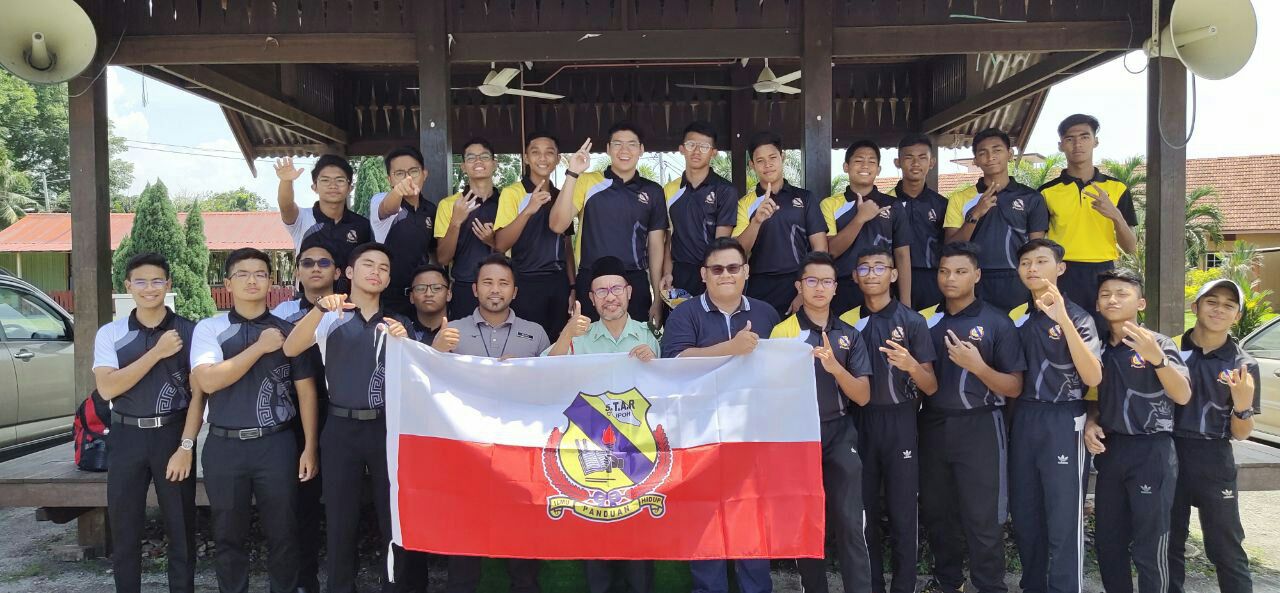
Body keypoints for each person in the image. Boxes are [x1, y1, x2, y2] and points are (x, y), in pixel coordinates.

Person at [191, 248, 320, 593]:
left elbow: (306, 392)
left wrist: (309, 447)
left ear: (271, 281)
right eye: (243, 274)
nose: (252, 280)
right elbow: (208, 381)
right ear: (227, 283)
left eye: (260, 274)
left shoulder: (289, 331)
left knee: (284, 532)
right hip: (224, 445)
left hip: (276, 444)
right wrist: (260, 347)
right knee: (228, 534)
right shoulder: (210, 328)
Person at [283, 242, 411, 593]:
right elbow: (291, 347)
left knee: (393, 518)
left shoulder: (398, 324)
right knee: (340, 520)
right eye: (368, 264)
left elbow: (419, 377)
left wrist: (408, 343)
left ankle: (396, 587)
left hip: (386, 428)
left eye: (383, 268)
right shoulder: (330, 317)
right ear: (350, 272)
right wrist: (319, 308)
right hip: (339, 428)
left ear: (389, 278)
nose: (376, 272)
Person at [661, 237, 779, 593]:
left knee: (751, 519)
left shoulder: (766, 313)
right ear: (703, 275)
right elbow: (674, 363)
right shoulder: (684, 314)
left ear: (746, 271)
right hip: (700, 434)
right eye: (717, 269)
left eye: (733, 267)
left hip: (752, 433)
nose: (725, 274)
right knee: (704, 521)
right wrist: (731, 348)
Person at [433, 253, 549, 593]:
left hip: (520, 452)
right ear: (474, 289)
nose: (495, 290)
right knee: (464, 543)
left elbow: (552, 388)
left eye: (503, 283)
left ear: (515, 291)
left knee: (522, 543)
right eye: (487, 282)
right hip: (466, 451)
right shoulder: (451, 331)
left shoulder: (535, 334)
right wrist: (436, 349)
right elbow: (428, 382)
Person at [545, 255, 658, 592]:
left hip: (638, 456)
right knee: (597, 550)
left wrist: (654, 363)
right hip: (589, 455)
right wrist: (566, 333)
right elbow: (544, 373)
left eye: (616, 289)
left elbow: (668, 391)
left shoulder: (649, 336)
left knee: (639, 556)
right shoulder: (579, 337)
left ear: (629, 292)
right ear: (591, 299)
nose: (610, 297)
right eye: (601, 291)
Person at [919, 242, 1024, 593]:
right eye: (944, 271)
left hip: (981, 425)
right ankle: (947, 582)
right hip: (933, 425)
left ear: (977, 275)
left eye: (960, 271)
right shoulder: (925, 320)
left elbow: (1014, 386)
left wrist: (978, 367)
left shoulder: (997, 322)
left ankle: (990, 585)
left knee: (983, 516)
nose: (950, 278)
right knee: (938, 512)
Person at [93, 253, 200, 593]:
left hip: (172, 435)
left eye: (157, 281)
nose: (149, 288)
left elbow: (199, 395)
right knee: (124, 528)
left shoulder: (190, 331)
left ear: (168, 284)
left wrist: (186, 446)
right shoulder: (111, 333)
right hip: (126, 435)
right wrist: (156, 352)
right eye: (140, 281)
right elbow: (107, 387)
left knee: (181, 528)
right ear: (128, 286)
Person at [769, 251, 874, 593]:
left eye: (826, 281)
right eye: (811, 280)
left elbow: (863, 396)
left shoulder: (849, 333)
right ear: (799, 286)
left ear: (835, 288)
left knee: (850, 522)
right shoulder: (782, 333)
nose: (819, 288)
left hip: (840, 432)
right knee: (807, 522)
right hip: (799, 435)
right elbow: (770, 393)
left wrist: (835, 369)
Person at [1084, 268, 1192, 593]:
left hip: (1151, 451)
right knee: (1108, 542)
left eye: (1122, 293)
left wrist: (1157, 360)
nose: (1112, 299)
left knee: (1150, 545)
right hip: (1111, 452)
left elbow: (1183, 394)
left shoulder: (1158, 343)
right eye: (1106, 294)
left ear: (1140, 303)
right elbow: (1098, 398)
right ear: (1097, 304)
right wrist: (1091, 421)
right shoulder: (1097, 348)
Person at [1008, 238, 1103, 593]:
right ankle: (1032, 585)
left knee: (1064, 516)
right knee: (1026, 512)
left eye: (1041, 261)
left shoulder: (1079, 317)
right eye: (1026, 263)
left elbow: (1093, 376)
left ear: (1060, 268)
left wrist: (1061, 317)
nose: (1032, 268)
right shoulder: (1017, 317)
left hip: (1064, 419)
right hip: (1024, 418)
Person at [848, 246, 938, 593]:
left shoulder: (912, 321)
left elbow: (930, 386)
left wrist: (911, 365)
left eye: (879, 267)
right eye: (864, 268)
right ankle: (871, 586)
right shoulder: (846, 322)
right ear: (855, 276)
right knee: (865, 512)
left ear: (894, 274)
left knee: (903, 513)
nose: (871, 274)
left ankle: (904, 586)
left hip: (901, 422)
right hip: (859, 422)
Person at [1168, 279, 1260, 593]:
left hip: (1214, 458)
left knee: (1226, 548)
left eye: (1228, 305)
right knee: (1168, 543)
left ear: (1237, 315)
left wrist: (1243, 406)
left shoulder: (1243, 365)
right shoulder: (1170, 350)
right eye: (1212, 301)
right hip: (1169, 453)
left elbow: (1241, 433)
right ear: (1195, 307)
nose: (1219, 309)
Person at [270, 244, 340, 593]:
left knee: (343, 502)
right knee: (302, 501)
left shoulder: (350, 308)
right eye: (307, 262)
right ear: (297, 271)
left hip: (342, 413)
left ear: (337, 272)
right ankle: (304, 579)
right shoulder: (281, 313)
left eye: (324, 262)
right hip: (298, 413)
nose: (316, 268)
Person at [549, 122, 668, 325]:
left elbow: (656, 247)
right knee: (589, 342)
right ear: (607, 149)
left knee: (636, 343)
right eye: (617, 144)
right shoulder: (587, 182)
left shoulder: (653, 191)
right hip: (591, 281)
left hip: (635, 282)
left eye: (631, 144)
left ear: (641, 150)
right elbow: (557, 225)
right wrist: (573, 173)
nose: (624, 150)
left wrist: (657, 298)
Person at [1039, 114, 1138, 315]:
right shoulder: (1046, 192)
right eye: (1070, 139)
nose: (1078, 144)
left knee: (1105, 330)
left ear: (1096, 141)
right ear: (1061, 145)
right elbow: (1038, 243)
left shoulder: (1117, 188)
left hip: (1104, 272)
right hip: (1062, 272)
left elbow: (1130, 247)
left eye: (1085, 137)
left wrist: (1115, 215)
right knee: (1061, 330)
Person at [943, 128, 1048, 313]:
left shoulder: (1032, 198)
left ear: (1010, 154)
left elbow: (1037, 249)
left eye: (997, 150)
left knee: (1017, 330)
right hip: (974, 280)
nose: (990, 157)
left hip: (1017, 282)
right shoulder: (960, 198)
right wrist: (976, 213)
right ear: (975, 160)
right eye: (982, 152)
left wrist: (1038, 289)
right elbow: (951, 247)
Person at [732, 131, 828, 318]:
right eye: (760, 161)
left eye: (772, 157)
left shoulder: (805, 198)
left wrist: (804, 291)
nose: (767, 165)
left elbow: (821, 248)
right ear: (752, 165)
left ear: (782, 157)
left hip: (798, 283)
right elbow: (738, 251)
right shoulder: (745, 204)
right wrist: (756, 221)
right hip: (758, 286)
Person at [494, 131, 577, 339]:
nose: (542, 158)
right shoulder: (513, 193)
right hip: (525, 281)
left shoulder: (561, 195)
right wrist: (528, 210)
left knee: (558, 343)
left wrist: (572, 286)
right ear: (526, 157)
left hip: (558, 282)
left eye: (549, 153)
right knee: (526, 343)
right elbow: (500, 244)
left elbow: (567, 245)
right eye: (535, 152)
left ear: (558, 159)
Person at [822, 139, 912, 312]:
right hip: (843, 289)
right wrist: (860, 218)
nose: (865, 166)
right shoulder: (830, 204)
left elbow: (902, 255)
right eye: (858, 160)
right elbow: (830, 251)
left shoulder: (893, 205)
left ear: (878, 169)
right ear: (846, 167)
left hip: (883, 289)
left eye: (871, 162)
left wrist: (906, 304)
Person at [660, 121, 738, 297]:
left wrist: (713, 275)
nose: (696, 151)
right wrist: (667, 273)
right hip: (679, 275)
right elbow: (668, 238)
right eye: (691, 145)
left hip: (710, 274)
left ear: (713, 152)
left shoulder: (726, 190)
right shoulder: (669, 190)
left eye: (704, 147)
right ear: (681, 149)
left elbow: (721, 244)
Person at [275, 154, 373, 281]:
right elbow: (286, 205)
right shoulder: (302, 218)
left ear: (350, 188)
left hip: (350, 293)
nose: (333, 185)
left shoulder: (363, 225)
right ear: (314, 187)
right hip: (309, 293)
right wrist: (286, 181)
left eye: (340, 180)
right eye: (325, 180)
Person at [436, 138, 501, 320]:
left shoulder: (507, 202)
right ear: (463, 166)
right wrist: (455, 222)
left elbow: (520, 252)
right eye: (471, 158)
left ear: (494, 164)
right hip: (464, 286)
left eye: (484, 157)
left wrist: (493, 242)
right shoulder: (448, 204)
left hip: (502, 286)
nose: (478, 161)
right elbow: (443, 258)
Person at [370, 145, 438, 314]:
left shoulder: (430, 209)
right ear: (389, 179)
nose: (407, 178)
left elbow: (433, 253)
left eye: (413, 171)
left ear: (424, 174)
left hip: (420, 296)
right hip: (387, 298)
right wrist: (398, 191)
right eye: (399, 173)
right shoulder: (379, 200)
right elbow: (388, 208)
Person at [886, 134, 948, 311]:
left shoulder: (942, 204)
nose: (915, 163)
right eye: (909, 157)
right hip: (891, 281)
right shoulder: (885, 203)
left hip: (932, 281)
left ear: (932, 162)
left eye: (922, 158)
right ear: (897, 162)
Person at [406, 263, 451, 345]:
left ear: (448, 294)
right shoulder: (403, 333)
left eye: (436, 288)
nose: (428, 294)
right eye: (421, 288)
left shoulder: (463, 332)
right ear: (411, 297)